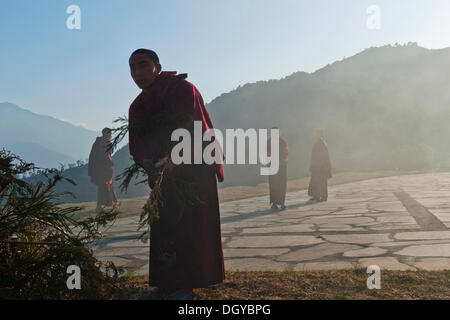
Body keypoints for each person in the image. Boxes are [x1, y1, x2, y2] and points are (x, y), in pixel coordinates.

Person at [127, 48, 225, 300]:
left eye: (143, 65)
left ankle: (187, 285)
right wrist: (151, 164)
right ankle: (167, 280)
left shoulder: (182, 90)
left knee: (189, 225)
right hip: (163, 173)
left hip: (195, 168)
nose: (138, 72)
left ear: (158, 67)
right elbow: (137, 143)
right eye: (133, 67)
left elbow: (195, 127)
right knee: (164, 225)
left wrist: (177, 158)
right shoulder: (138, 105)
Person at [88, 127, 119, 213]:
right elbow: (107, 155)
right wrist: (110, 165)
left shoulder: (97, 142)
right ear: (108, 134)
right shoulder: (106, 142)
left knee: (105, 186)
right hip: (105, 169)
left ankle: (112, 204)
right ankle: (105, 205)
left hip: (97, 169)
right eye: (110, 134)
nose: (111, 135)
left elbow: (92, 155)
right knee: (106, 186)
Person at [267, 127, 289, 210]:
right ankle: (274, 203)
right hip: (273, 167)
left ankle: (282, 203)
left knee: (281, 185)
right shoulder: (269, 142)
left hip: (281, 167)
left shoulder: (282, 142)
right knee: (274, 185)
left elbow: (286, 153)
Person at [308, 130, 332, 202]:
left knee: (322, 182)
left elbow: (323, 156)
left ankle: (323, 197)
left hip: (321, 167)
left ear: (320, 135)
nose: (316, 135)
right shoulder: (318, 143)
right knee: (316, 181)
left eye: (317, 134)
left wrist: (321, 165)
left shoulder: (321, 143)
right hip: (317, 166)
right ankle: (316, 196)